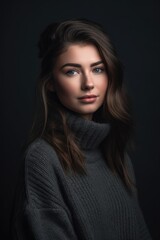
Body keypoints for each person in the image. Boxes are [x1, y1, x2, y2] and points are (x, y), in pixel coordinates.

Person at [12, 19, 152, 239]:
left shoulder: (117, 154)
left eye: (97, 69)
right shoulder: (41, 159)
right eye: (72, 72)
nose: (88, 83)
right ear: (50, 82)